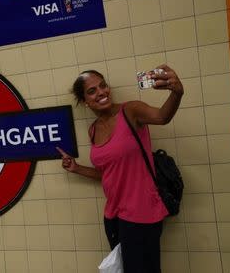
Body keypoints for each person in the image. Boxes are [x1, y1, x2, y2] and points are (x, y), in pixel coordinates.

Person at [56, 64, 183, 273]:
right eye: (92, 91)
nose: (101, 92)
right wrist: (77, 168)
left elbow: (162, 117)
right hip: (114, 216)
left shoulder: (131, 111)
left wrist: (177, 92)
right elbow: (108, 174)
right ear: (85, 102)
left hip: (141, 212)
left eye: (102, 86)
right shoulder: (93, 130)